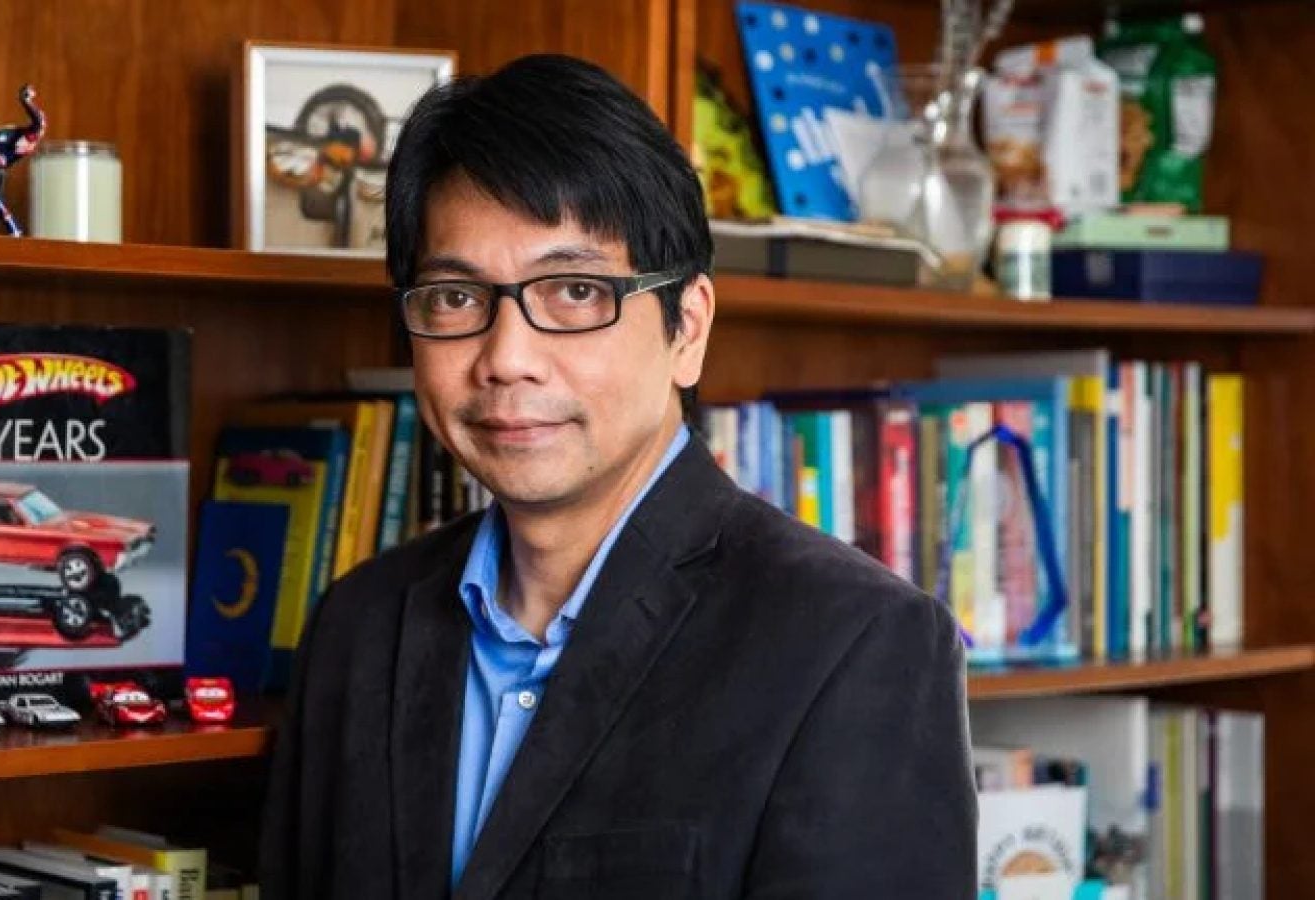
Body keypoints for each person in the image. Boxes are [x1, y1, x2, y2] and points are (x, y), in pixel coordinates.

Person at [260, 53, 976, 899]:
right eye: (455, 299)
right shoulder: (360, 625)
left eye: (573, 291)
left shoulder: (854, 643)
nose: (506, 359)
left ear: (688, 328)